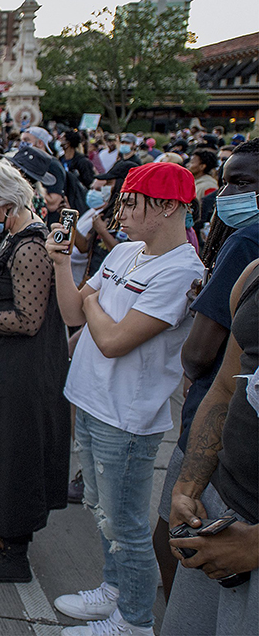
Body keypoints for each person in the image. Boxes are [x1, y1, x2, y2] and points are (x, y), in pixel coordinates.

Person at [46, 162, 204, 636]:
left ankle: (134, 621)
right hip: (92, 401)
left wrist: (93, 301)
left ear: (170, 207)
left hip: (127, 419)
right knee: (101, 510)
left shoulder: (182, 270)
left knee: (127, 526)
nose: (121, 210)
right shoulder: (126, 252)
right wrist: (59, 264)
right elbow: (73, 309)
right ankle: (115, 592)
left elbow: (114, 339)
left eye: (133, 201)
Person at [153, 138, 259, 599]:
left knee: (178, 550)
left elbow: (198, 358)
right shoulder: (251, 266)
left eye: (243, 183)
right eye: (227, 179)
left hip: (231, 477)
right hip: (218, 449)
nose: (227, 194)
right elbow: (224, 384)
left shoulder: (246, 240)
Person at [0, 160, 70, 583]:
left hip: (18, 375)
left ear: (3, 204)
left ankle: (13, 552)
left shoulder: (30, 246)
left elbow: (28, 320)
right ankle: (1, 533)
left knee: (12, 454)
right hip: (0, 368)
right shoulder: (15, 236)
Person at [161, 259, 259, 636]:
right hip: (220, 519)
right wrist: (187, 487)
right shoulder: (252, 276)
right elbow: (226, 387)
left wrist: (253, 546)